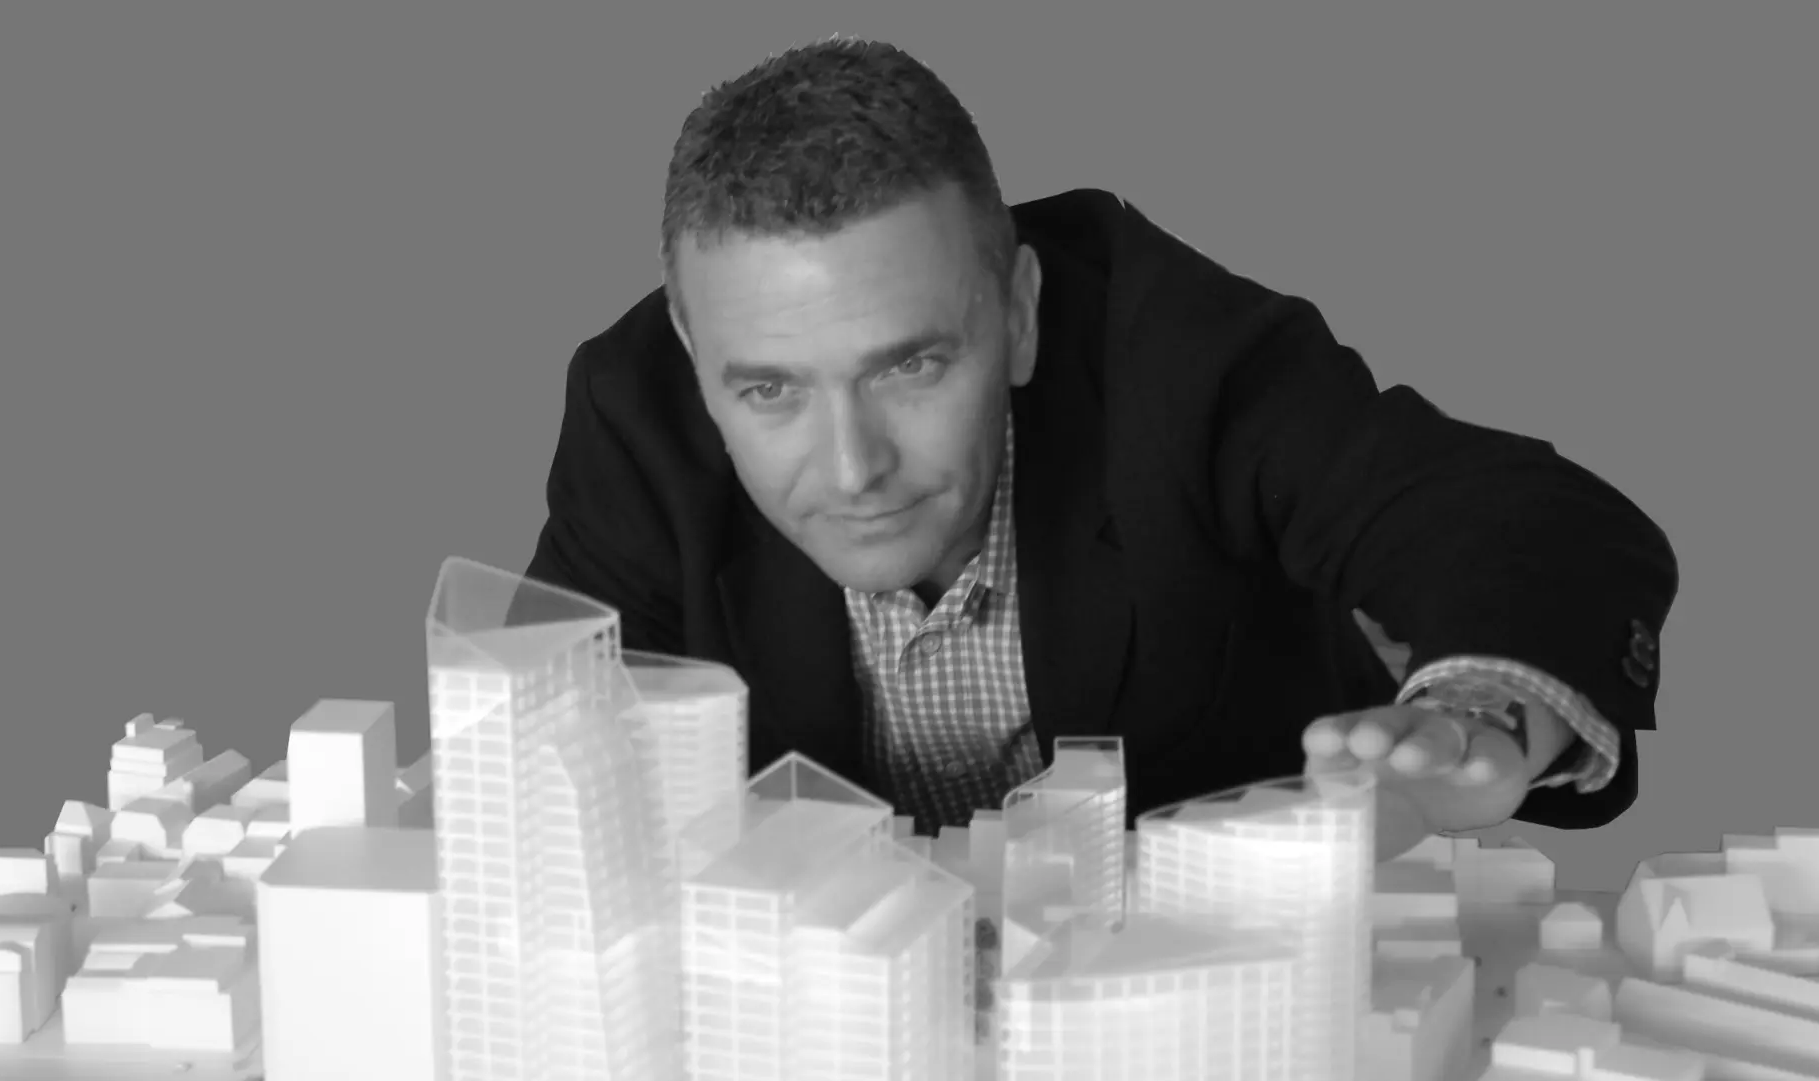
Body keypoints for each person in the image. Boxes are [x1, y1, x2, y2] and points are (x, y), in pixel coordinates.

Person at [509, 36, 1678, 860]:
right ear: (693, 352)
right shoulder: (638, 418)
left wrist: (1481, 712)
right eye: (769, 390)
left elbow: (1513, 519)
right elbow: (541, 757)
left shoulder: (1173, 356)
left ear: (1019, 312)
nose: (854, 467)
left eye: (910, 367)